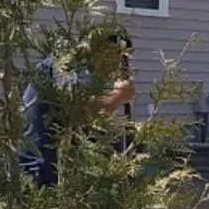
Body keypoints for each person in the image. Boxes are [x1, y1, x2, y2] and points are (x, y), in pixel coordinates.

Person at [20, 27, 135, 186]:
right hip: (40, 168)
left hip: (54, 165)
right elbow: (80, 108)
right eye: (117, 57)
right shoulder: (67, 66)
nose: (115, 67)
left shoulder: (82, 72)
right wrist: (118, 96)